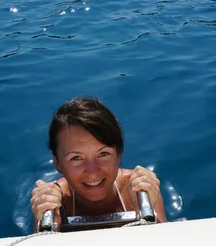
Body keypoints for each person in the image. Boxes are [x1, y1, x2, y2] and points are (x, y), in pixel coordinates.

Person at [30, 96, 167, 231]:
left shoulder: (139, 190)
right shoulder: (51, 203)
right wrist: (52, 225)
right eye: (76, 158)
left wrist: (141, 209)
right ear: (57, 163)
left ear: (119, 154)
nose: (93, 171)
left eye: (103, 154)